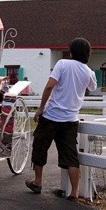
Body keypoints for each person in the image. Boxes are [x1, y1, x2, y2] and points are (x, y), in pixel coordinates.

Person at [26, 37, 97, 201]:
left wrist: (41, 108)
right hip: (71, 119)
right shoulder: (89, 72)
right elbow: (92, 87)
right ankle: (74, 192)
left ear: (71, 51)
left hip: (51, 115)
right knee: (70, 155)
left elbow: (50, 86)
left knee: (40, 146)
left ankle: (37, 181)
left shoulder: (62, 64)